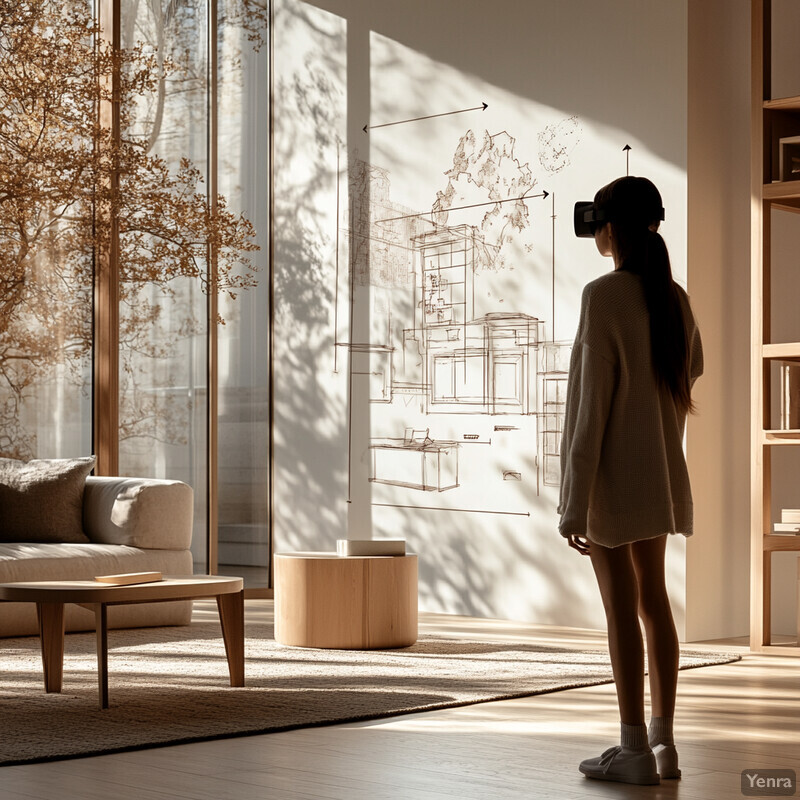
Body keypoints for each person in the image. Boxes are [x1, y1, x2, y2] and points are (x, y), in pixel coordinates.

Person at [558, 176, 703, 786]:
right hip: (662, 475)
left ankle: (631, 748)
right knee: (654, 601)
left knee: (620, 607)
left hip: (612, 482)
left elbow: (591, 411)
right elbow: (691, 369)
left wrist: (573, 504)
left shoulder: (603, 296)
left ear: (609, 229)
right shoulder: (674, 297)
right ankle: (665, 747)